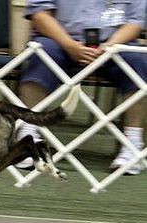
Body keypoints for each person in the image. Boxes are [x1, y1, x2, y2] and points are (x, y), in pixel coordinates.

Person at [16, 0, 147, 175]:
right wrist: (70, 45)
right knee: (42, 53)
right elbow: (39, 14)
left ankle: (133, 144)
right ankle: (27, 136)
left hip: (115, 44)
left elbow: (135, 21)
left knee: (138, 61)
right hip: (60, 40)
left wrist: (109, 47)